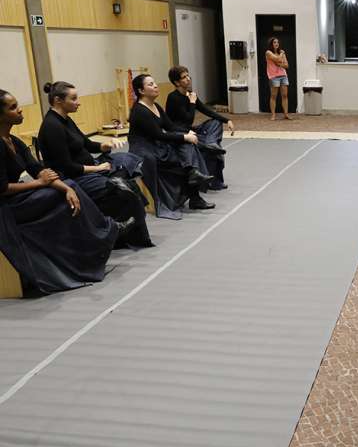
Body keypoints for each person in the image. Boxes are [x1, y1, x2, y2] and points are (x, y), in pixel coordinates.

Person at [0, 89, 122, 295]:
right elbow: (3, 189)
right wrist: (40, 184)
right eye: (13, 107)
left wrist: (65, 188)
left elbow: (39, 170)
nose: (20, 109)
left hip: (19, 197)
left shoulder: (15, 141)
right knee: (58, 193)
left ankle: (88, 249)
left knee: (69, 187)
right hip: (7, 207)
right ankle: (103, 232)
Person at [38, 81, 153, 247]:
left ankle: (130, 228)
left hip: (90, 167)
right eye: (74, 98)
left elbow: (85, 143)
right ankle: (118, 232)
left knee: (129, 161)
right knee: (121, 187)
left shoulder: (66, 120)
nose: (78, 102)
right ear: (58, 101)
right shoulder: (52, 126)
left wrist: (104, 145)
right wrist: (97, 168)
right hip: (75, 177)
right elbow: (67, 167)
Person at [127, 74, 215, 216]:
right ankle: (194, 186)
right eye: (150, 84)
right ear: (141, 91)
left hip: (158, 144)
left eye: (154, 82)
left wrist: (188, 133)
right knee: (186, 149)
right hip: (145, 149)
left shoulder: (156, 106)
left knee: (189, 146)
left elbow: (170, 126)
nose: (155, 85)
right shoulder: (140, 111)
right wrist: (184, 137)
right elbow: (158, 135)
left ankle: (193, 178)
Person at [165, 65, 231, 190]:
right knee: (212, 151)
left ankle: (211, 143)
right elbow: (187, 119)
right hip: (180, 132)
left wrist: (227, 120)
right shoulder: (173, 98)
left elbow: (207, 110)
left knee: (215, 122)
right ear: (176, 82)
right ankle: (213, 176)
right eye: (184, 77)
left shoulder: (190, 94)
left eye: (188, 75)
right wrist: (192, 102)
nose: (188, 79)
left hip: (191, 129)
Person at [266, 36, 291, 121]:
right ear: (271, 44)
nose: (276, 44)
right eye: (274, 42)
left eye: (277, 42)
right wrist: (281, 55)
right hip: (274, 76)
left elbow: (287, 65)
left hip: (283, 75)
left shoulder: (281, 53)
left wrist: (280, 64)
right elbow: (278, 58)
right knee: (273, 96)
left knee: (284, 95)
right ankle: (273, 115)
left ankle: (286, 114)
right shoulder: (268, 52)